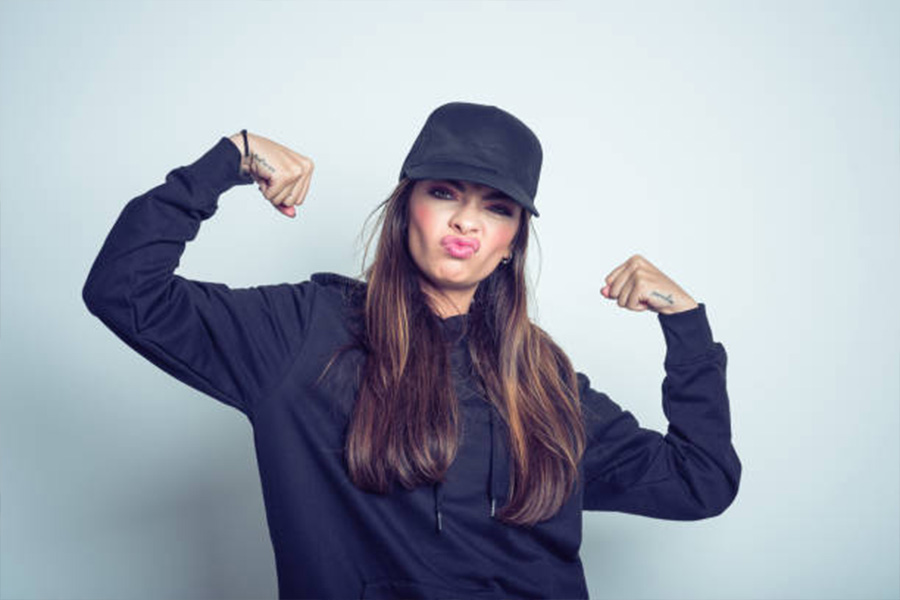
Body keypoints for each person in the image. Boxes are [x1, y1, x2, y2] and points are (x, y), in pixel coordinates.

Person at [82, 102, 741, 600]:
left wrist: (685, 326)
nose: (466, 222)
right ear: (406, 209)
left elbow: (699, 482)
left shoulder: (544, 380)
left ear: (512, 239)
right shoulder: (303, 333)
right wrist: (228, 159)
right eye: (445, 192)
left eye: (497, 207)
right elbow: (125, 291)